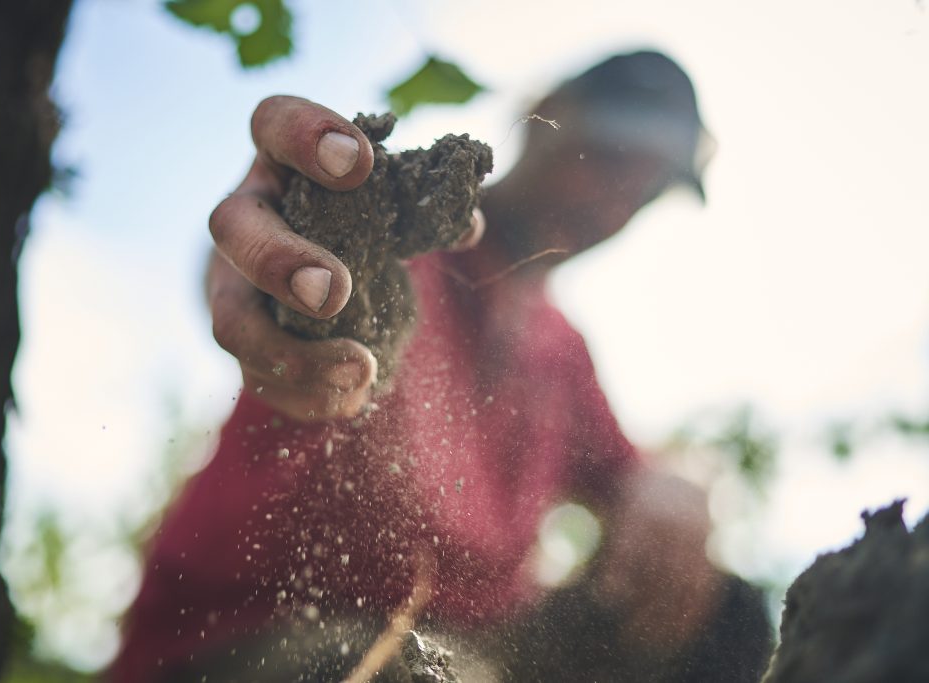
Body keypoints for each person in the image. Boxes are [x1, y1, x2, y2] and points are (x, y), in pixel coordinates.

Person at [112, 50, 772, 682]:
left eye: (644, 190)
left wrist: (675, 481)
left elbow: (631, 475)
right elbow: (266, 271)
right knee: (398, 668)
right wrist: (288, 243)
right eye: (608, 160)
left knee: (727, 616)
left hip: (478, 647)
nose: (613, 205)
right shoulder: (395, 240)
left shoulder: (561, 348)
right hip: (249, 641)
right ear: (546, 112)